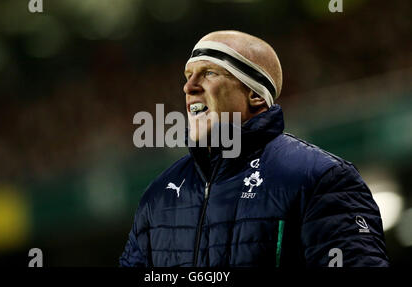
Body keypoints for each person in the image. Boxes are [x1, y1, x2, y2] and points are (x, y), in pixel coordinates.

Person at [119, 30, 389, 267]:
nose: (189, 87)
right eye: (189, 76)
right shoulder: (158, 196)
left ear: (255, 94)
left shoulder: (319, 179)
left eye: (209, 73)